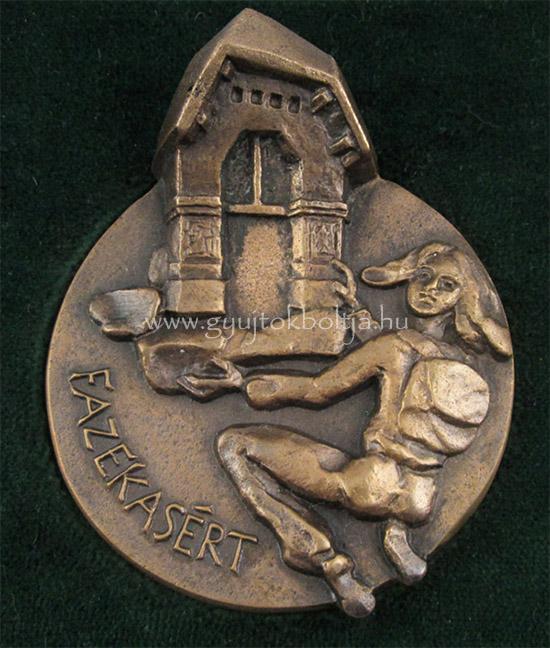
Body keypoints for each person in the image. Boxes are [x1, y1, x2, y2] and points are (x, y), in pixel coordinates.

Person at [179, 242, 512, 617]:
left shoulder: (393, 347)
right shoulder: (464, 361)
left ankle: (326, 560)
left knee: (234, 444)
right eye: (424, 276)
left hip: (370, 482)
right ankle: (397, 532)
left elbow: (317, 390)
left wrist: (241, 383)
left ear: (460, 299)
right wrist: (357, 311)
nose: (430, 288)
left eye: (446, 284)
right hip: (421, 496)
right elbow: (401, 366)